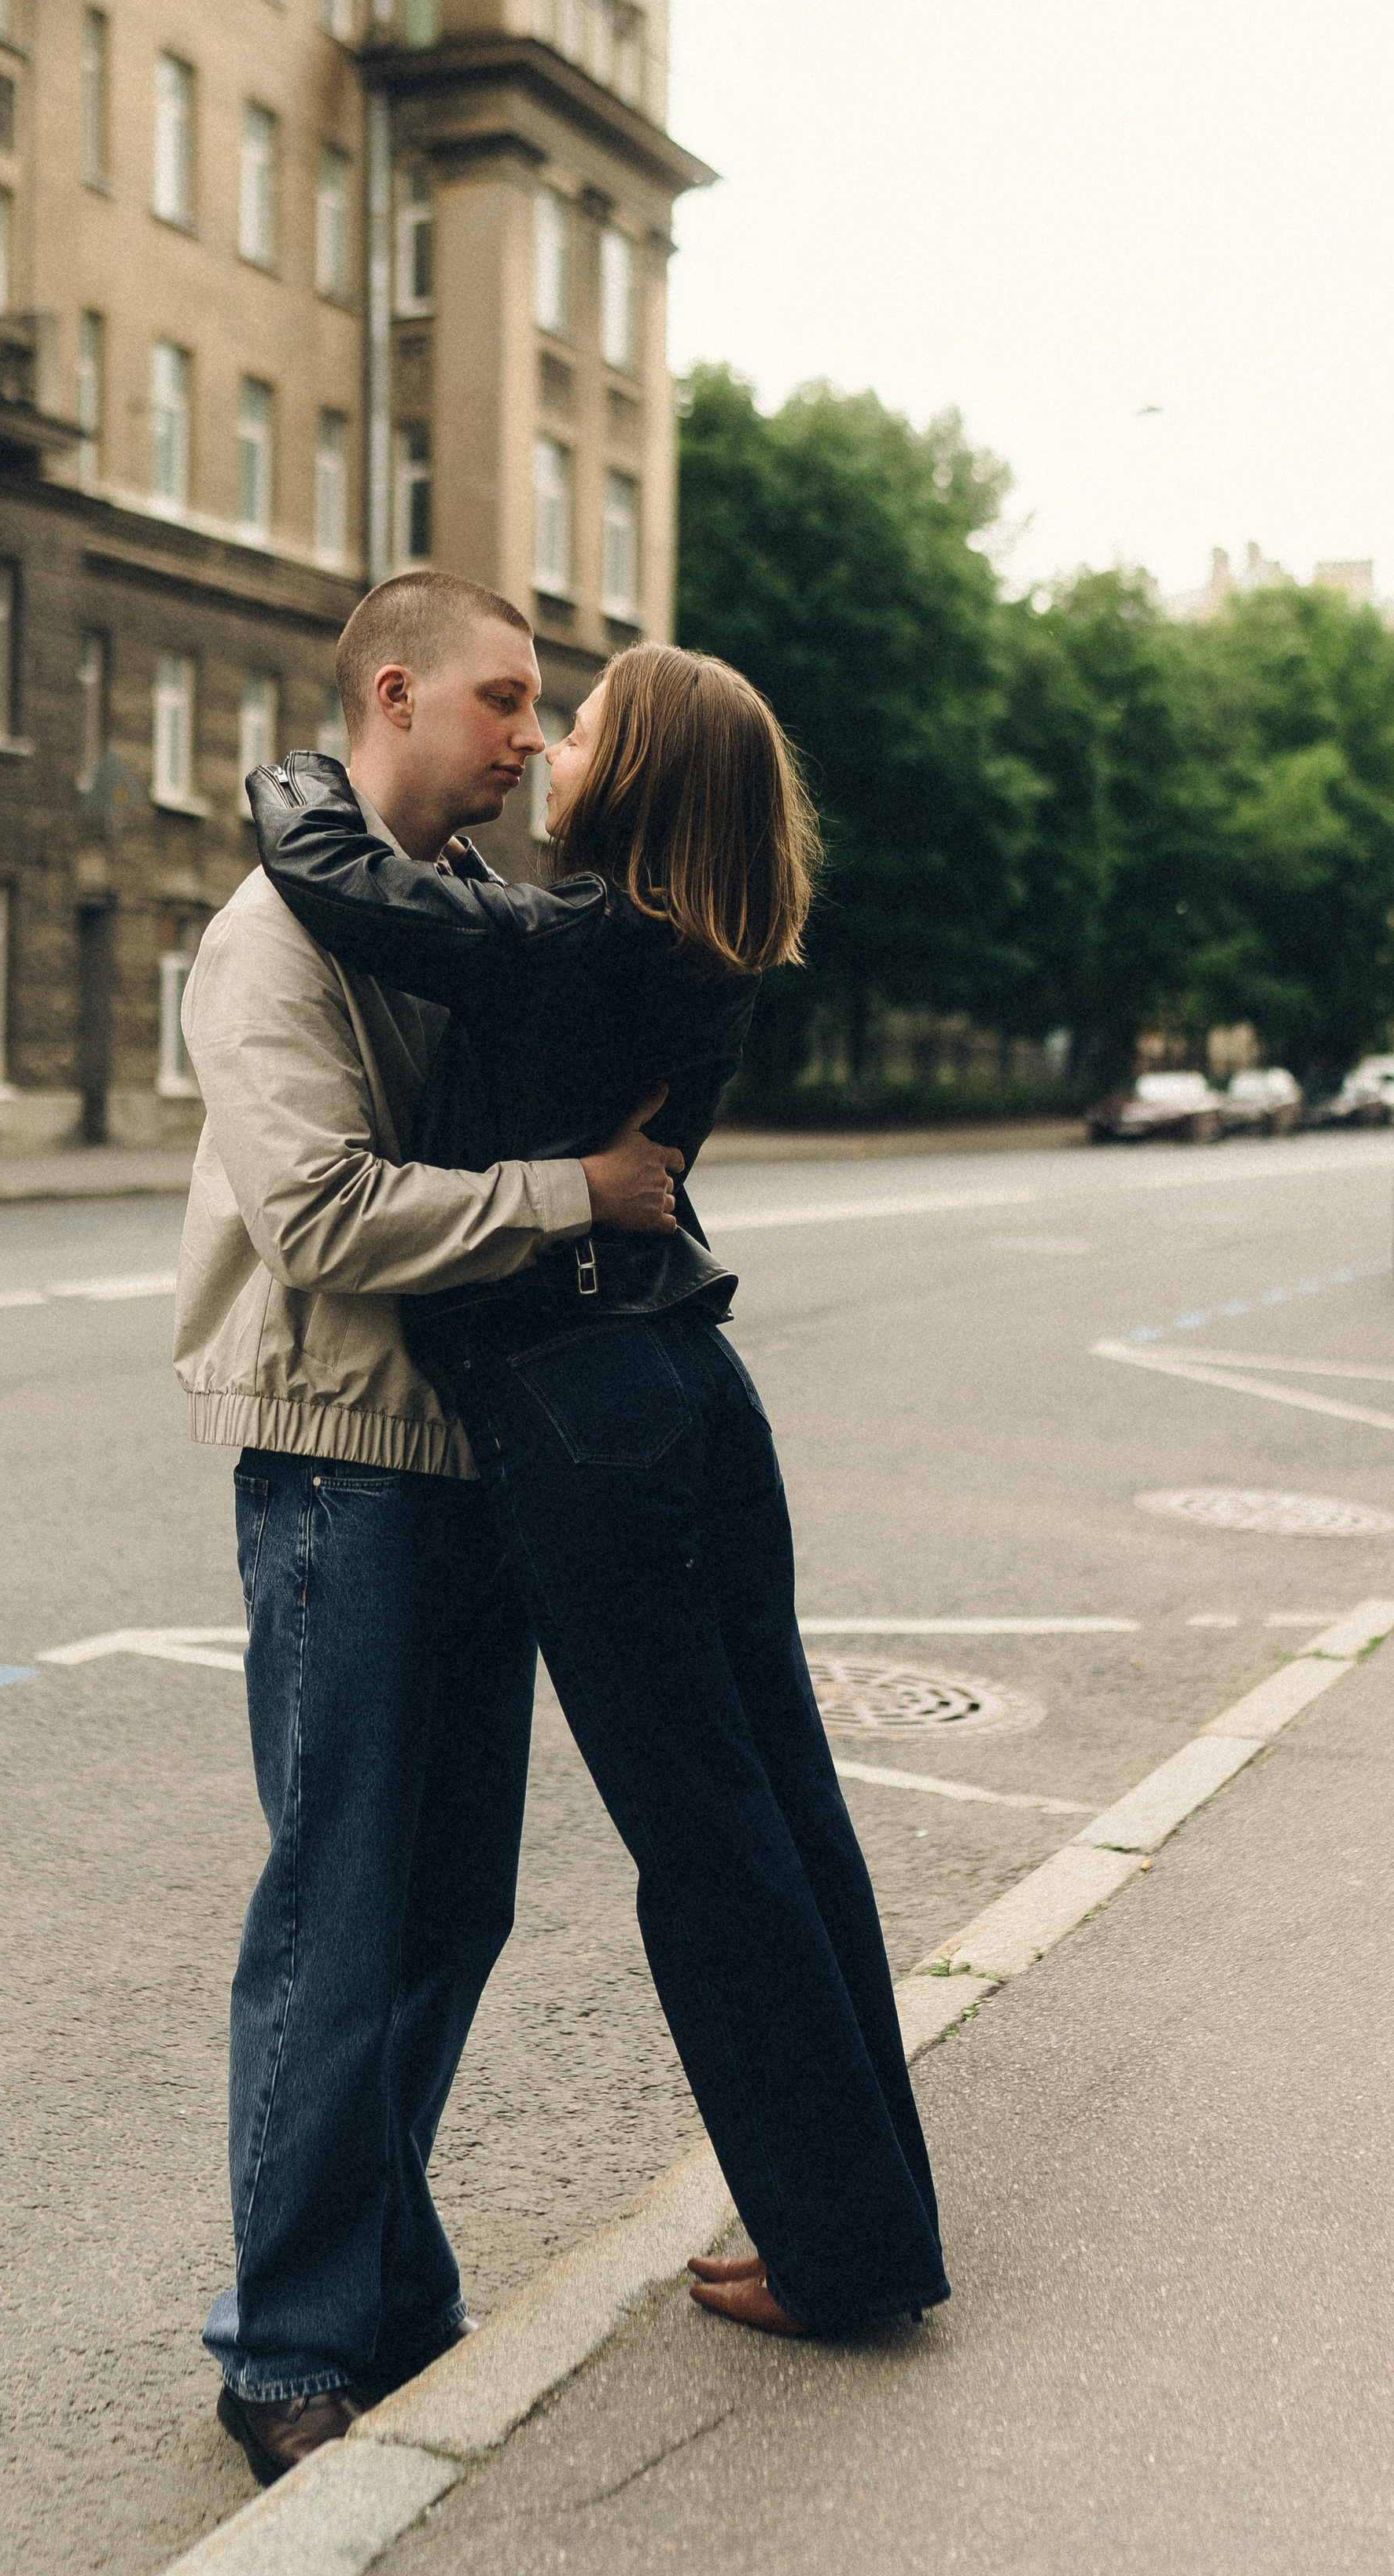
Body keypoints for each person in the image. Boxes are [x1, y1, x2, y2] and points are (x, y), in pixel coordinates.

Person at [248, 638, 950, 2339]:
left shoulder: (580, 944)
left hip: (582, 1412)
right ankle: (864, 2228)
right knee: (780, 1806)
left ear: (640, 774)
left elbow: (341, 879)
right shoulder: (683, 946)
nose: (554, 740)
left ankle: (839, 2261)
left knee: (702, 1847)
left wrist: (291, 775)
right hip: (685, 1395)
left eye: (587, 723)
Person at [173, 574, 686, 2482]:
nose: (531, 739)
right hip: (337, 1463)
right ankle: (282, 2343)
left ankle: (383, 2290)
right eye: (503, 700)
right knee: (339, 1906)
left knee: (446, 1907)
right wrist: (577, 1191)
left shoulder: (450, 925)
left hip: (460, 1452)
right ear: (393, 693)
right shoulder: (267, 944)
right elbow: (316, 1214)